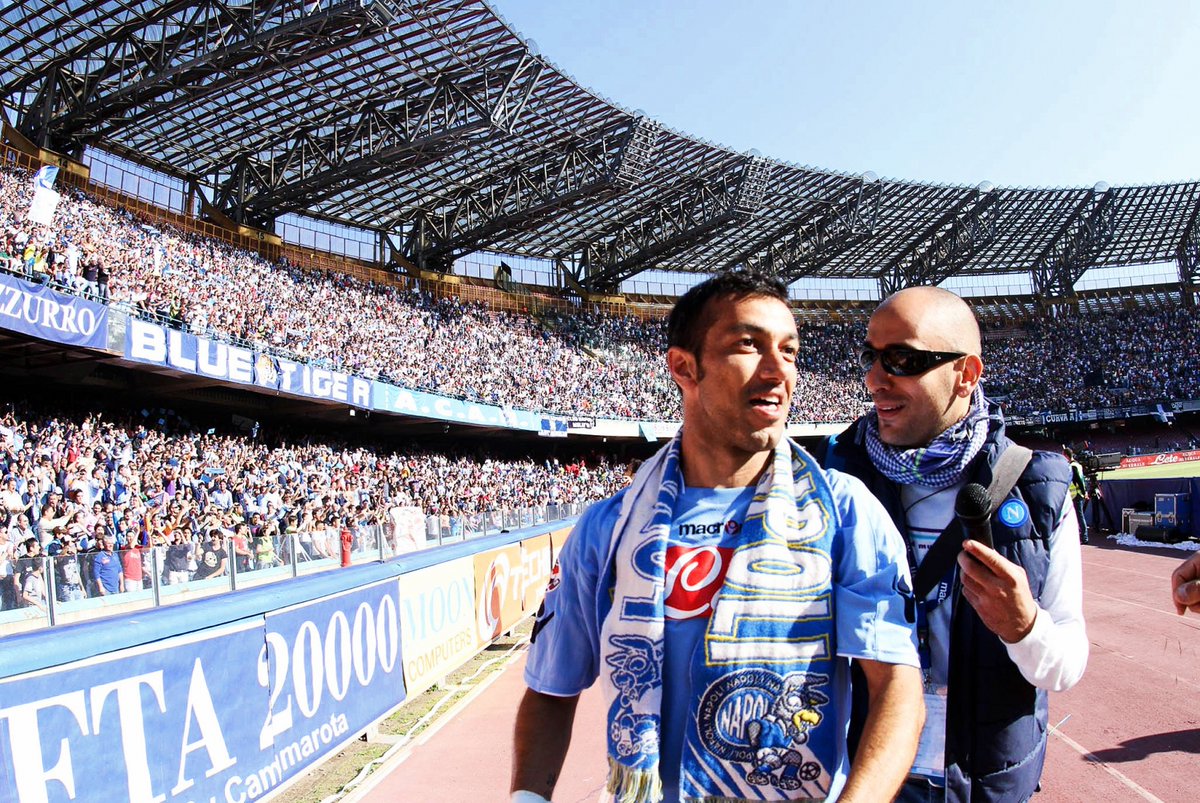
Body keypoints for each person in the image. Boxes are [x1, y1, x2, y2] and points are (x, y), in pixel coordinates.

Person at [511, 270, 924, 803]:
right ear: (685, 367)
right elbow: (550, 689)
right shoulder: (607, 528)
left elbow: (896, 688)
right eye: (748, 346)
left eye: (791, 352)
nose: (779, 371)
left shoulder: (845, 512)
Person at [819, 286, 1088, 803]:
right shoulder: (835, 481)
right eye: (870, 357)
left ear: (966, 375)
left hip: (984, 787)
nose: (875, 380)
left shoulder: (1037, 488)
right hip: (866, 781)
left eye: (902, 359)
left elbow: (1068, 662)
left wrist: (1025, 627)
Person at [1063, 447, 1089, 544]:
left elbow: (1078, 480)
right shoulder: (1077, 465)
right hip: (1076, 494)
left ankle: (1084, 537)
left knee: (1079, 516)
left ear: (1066, 455)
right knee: (1078, 516)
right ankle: (1082, 536)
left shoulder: (1073, 466)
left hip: (1076, 495)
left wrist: (1083, 491)